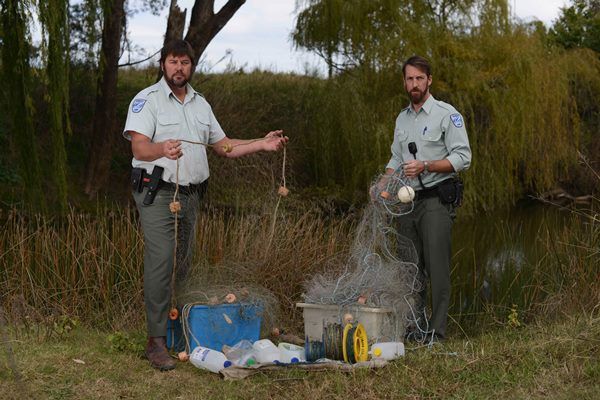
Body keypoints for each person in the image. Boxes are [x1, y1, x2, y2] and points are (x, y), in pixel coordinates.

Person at [123, 40, 288, 371]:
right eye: (173, 62)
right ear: (162, 65)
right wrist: (162, 150)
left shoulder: (201, 104)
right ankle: (155, 343)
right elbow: (140, 149)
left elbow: (224, 146)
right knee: (161, 260)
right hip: (157, 193)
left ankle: (180, 334)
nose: (179, 68)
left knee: (183, 263)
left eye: (185, 62)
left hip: (191, 194)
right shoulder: (146, 100)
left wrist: (261, 143)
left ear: (191, 66)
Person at [375, 55, 471, 341]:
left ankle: (437, 334)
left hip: (435, 201)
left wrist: (426, 165)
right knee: (410, 268)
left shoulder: (447, 114)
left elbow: (462, 157)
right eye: (409, 79)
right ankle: (415, 330)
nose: (414, 84)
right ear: (404, 83)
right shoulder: (402, 119)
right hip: (407, 205)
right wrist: (382, 183)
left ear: (429, 80)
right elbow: (395, 157)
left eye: (419, 78)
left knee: (438, 270)